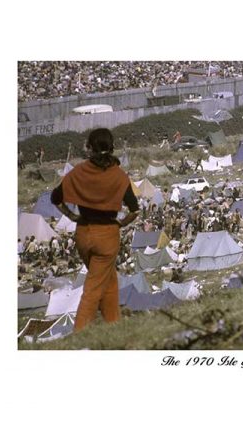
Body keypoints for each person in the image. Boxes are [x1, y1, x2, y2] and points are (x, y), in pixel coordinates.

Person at [50, 128, 139, 331]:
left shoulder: (78, 171)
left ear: (90, 147)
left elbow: (55, 198)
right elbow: (134, 210)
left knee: (108, 280)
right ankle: (80, 334)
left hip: (83, 233)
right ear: (112, 146)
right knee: (93, 288)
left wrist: (72, 216)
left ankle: (113, 325)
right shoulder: (119, 175)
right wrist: (121, 223)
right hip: (107, 235)